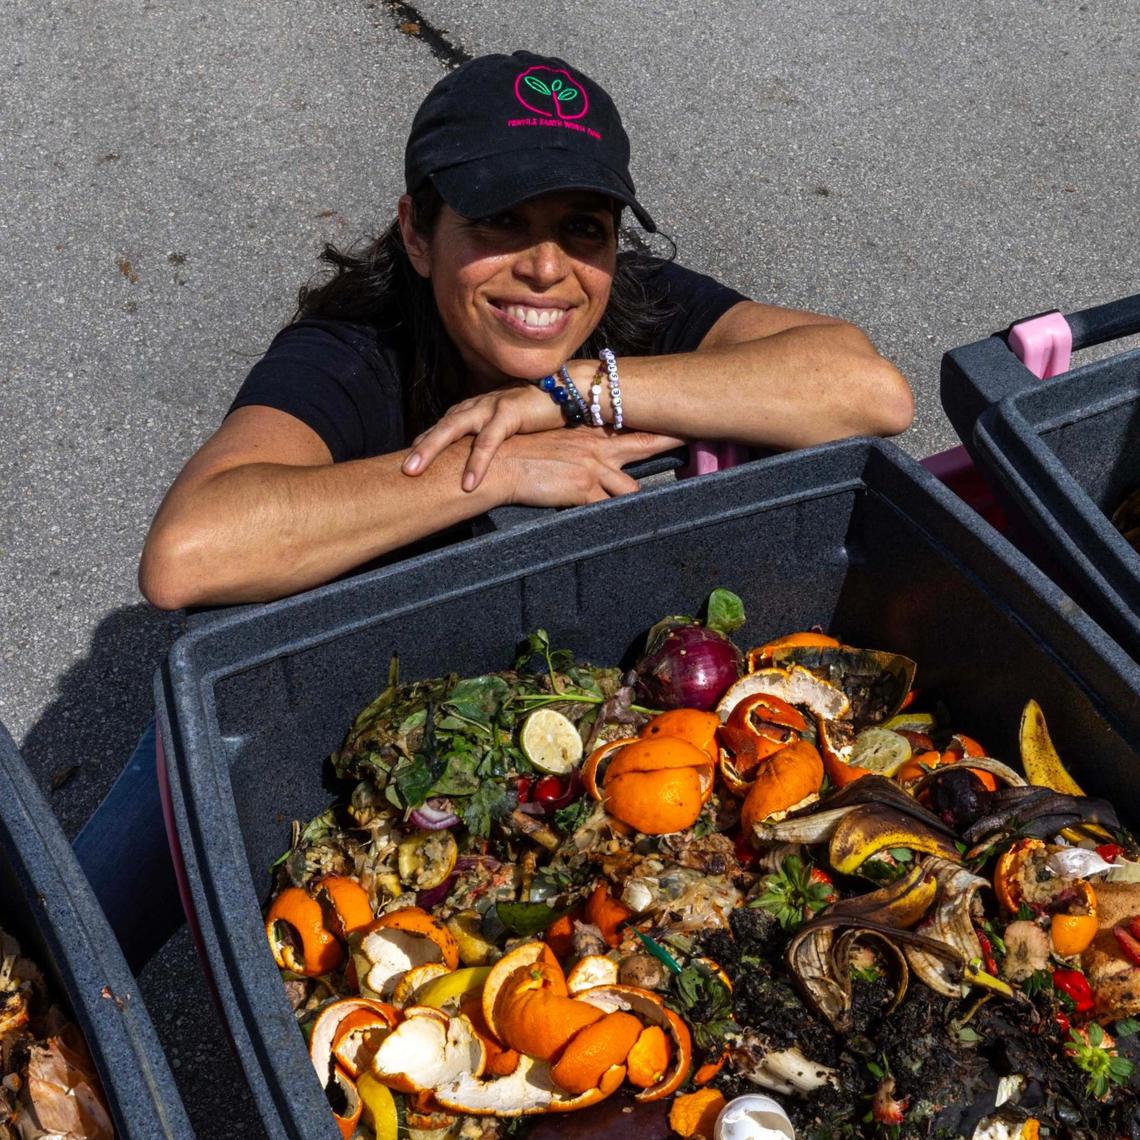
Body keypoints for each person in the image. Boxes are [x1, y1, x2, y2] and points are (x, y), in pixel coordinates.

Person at [77, 50, 913, 970]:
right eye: (500, 223)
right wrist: (497, 469)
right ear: (417, 231)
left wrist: (577, 390)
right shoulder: (355, 352)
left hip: (587, 723)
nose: (547, 268)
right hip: (361, 699)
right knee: (85, 924)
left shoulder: (630, 317)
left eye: (582, 228)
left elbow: (867, 390)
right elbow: (189, 553)